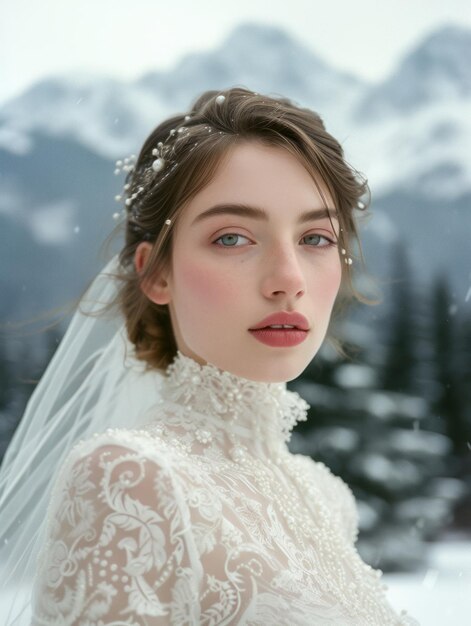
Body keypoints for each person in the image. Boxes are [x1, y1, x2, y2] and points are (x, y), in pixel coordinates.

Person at [0, 87, 419, 625]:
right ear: (155, 272)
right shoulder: (130, 478)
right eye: (233, 238)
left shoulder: (326, 498)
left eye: (315, 238)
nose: (288, 280)